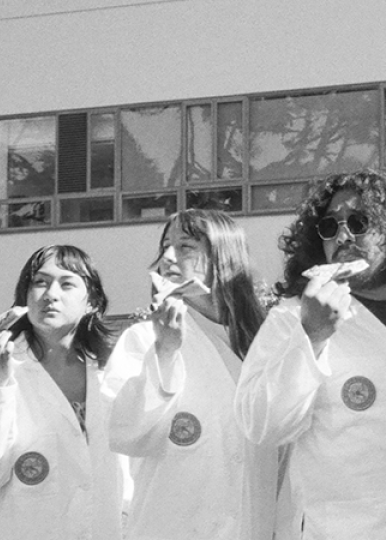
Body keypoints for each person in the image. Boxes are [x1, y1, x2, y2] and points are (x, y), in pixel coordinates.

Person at [234, 170, 386, 539]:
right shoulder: (293, 315)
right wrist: (312, 336)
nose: (343, 235)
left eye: (358, 221)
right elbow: (261, 425)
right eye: (329, 227)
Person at [106, 209, 282, 540]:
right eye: (164, 247)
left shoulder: (266, 342)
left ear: (223, 257)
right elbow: (124, 434)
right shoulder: (144, 340)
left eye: (185, 246)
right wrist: (166, 353)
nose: (167, 259)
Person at [0, 245, 125, 540]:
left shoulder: (113, 370)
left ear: (92, 302)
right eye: (40, 282)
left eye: (67, 283)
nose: (50, 294)